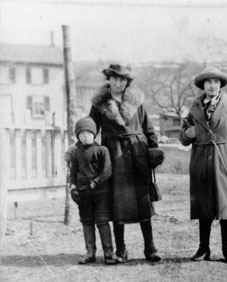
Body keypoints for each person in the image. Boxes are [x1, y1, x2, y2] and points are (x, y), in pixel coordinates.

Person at [89, 64, 161, 263]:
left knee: (143, 202)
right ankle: (121, 249)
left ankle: (150, 247)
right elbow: (90, 129)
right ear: (108, 79)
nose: (118, 83)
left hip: (138, 154)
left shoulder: (137, 101)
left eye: (123, 80)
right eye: (115, 78)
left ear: (127, 82)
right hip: (113, 155)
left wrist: (153, 151)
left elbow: (149, 128)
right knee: (116, 203)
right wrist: (87, 151)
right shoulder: (99, 104)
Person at [180, 67, 227, 264]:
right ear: (203, 85)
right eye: (208, 82)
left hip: (224, 157)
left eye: (216, 82)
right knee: (204, 204)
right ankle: (204, 248)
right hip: (201, 159)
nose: (212, 85)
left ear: (220, 85)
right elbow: (183, 136)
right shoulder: (194, 107)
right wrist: (188, 134)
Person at [69, 117, 116, 265]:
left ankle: (109, 253)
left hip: (100, 193)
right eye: (81, 134)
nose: (85, 136)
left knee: (102, 222)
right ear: (78, 136)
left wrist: (94, 183)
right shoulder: (76, 153)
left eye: (88, 133)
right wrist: (73, 187)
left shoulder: (102, 150)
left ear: (94, 134)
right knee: (87, 222)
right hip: (83, 194)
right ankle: (90, 253)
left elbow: (107, 171)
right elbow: (73, 173)